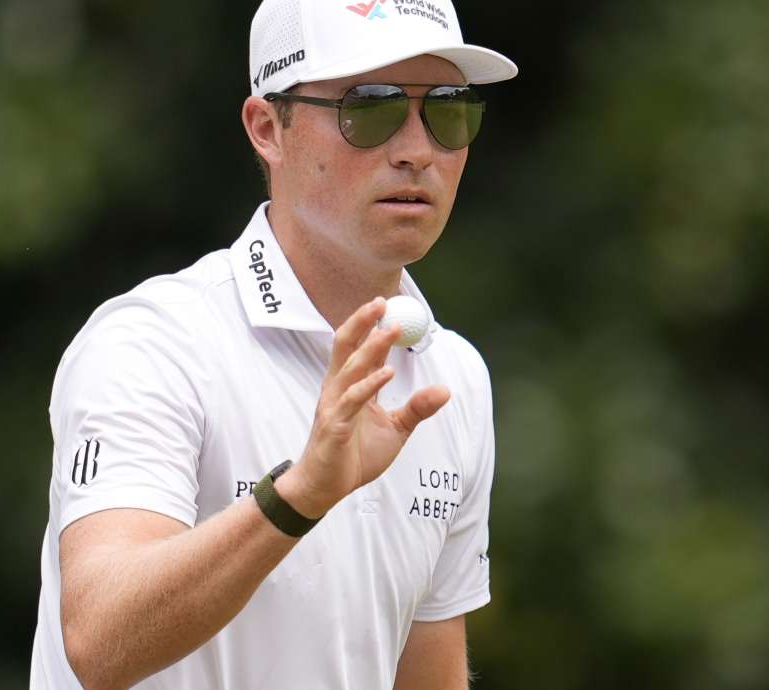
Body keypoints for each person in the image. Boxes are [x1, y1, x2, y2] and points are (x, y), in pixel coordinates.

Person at [29, 1, 517, 688]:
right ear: (269, 129)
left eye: (448, 109)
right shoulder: (153, 341)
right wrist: (297, 497)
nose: (417, 149)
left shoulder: (452, 377)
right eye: (370, 108)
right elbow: (100, 639)